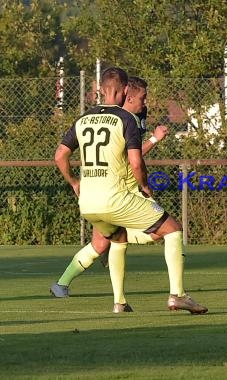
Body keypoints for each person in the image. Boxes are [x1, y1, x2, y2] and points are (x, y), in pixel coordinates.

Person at [54, 67, 207, 314]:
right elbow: (135, 162)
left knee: (118, 240)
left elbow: (60, 155)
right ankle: (177, 295)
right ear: (125, 90)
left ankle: (119, 302)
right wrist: (145, 186)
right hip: (115, 197)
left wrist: (73, 181)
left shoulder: (82, 119)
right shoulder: (125, 120)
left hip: (88, 202)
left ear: (99, 89)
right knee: (173, 230)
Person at [49, 76, 167, 305]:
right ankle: (112, 297)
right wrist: (154, 139)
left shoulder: (129, 117)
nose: (145, 102)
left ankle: (63, 284)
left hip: (108, 190)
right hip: (116, 190)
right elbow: (132, 157)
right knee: (161, 231)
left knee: (103, 242)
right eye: (142, 97)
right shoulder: (122, 119)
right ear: (127, 95)